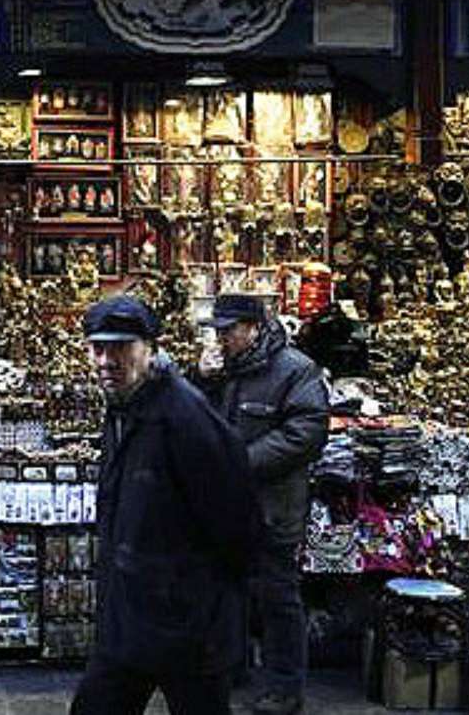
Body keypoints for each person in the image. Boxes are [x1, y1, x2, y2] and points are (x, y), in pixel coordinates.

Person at [72, 296, 258, 715]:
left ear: (150, 350)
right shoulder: (124, 407)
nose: (106, 360)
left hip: (188, 623)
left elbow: (237, 525)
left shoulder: (185, 418)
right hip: (132, 614)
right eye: (98, 348)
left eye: (120, 348)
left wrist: (197, 597)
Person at [198, 295, 329, 715]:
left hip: (273, 509)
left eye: (229, 331)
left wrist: (241, 461)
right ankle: (230, 668)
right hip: (227, 508)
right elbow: (197, 417)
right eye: (217, 331)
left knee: (278, 597)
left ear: (254, 328)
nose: (221, 339)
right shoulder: (225, 368)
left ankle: (284, 687)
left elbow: (306, 432)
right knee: (227, 591)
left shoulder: (295, 369)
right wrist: (202, 380)